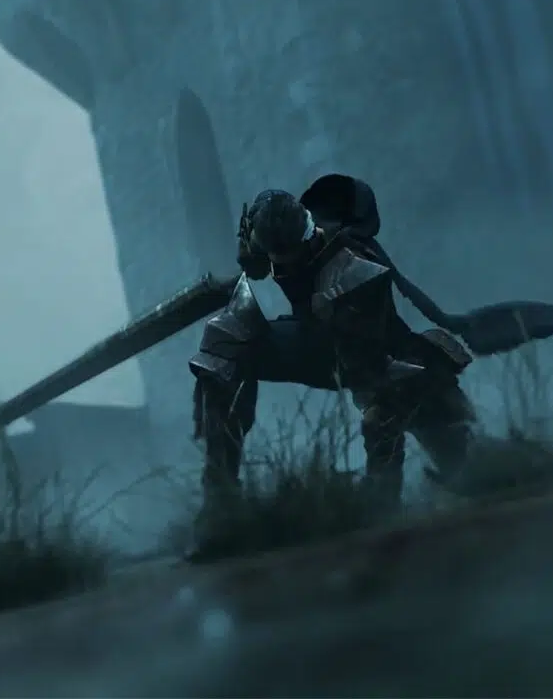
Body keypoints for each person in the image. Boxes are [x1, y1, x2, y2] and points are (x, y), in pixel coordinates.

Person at [188, 182, 476, 545]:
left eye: (288, 254)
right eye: (276, 255)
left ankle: (382, 511)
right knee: (227, 339)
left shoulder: (352, 267)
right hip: (319, 345)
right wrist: (252, 258)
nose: (283, 265)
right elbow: (260, 266)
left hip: (381, 354)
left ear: (307, 237)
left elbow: (372, 362)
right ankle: (220, 500)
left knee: (462, 463)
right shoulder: (278, 242)